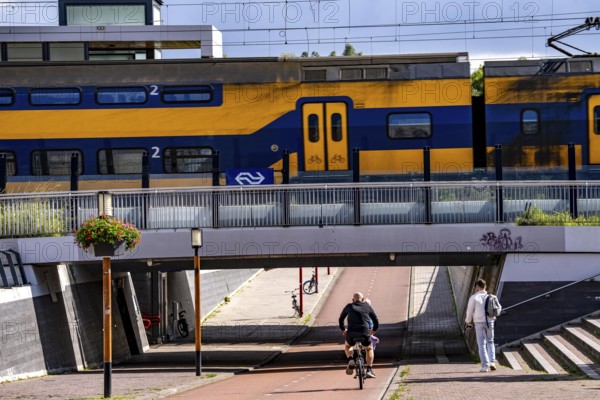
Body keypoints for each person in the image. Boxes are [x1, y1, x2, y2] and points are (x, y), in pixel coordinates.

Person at [339, 292, 379, 378]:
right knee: (369, 348)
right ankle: (369, 369)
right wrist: (373, 330)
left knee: (347, 346)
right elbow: (376, 320)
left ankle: (350, 359)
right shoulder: (367, 306)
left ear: (353, 300)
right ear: (363, 299)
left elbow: (341, 318)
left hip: (351, 332)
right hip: (364, 332)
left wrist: (343, 330)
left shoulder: (349, 306)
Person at [465, 279, 497, 372]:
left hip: (479, 323)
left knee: (482, 344)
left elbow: (469, 311)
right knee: (490, 341)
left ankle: (485, 366)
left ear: (477, 287)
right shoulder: (492, 296)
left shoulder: (474, 298)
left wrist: (468, 322)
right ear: (485, 286)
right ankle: (492, 362)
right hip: (490, 322)